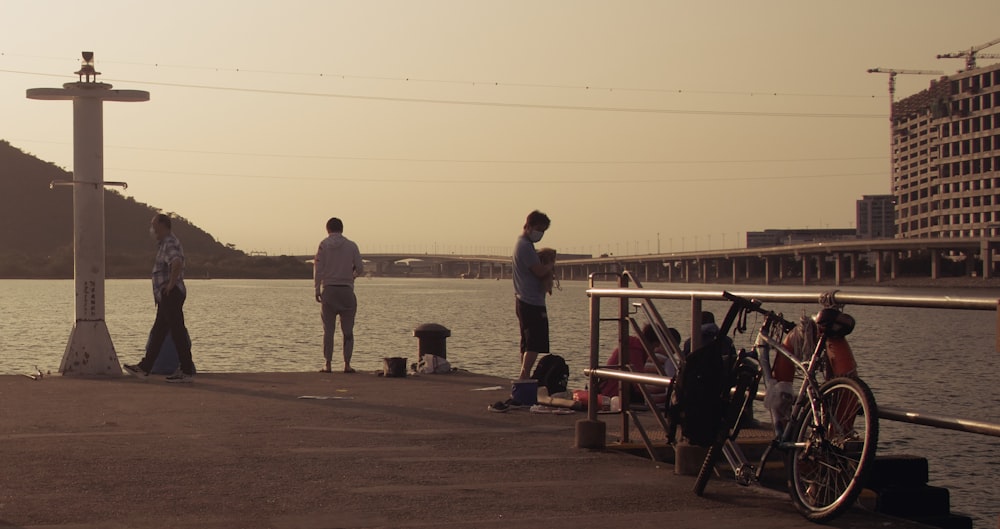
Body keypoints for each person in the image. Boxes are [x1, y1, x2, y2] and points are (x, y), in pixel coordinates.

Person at [123, 214, 196, 383]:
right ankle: (145, 367)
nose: (152, 229)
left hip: (171, 294)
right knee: (159, 331)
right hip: (166, 296)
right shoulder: (164, 244)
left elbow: (176, 262)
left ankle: (186, 370)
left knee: (177, 331)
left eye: (153, 225)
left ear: (162, 225)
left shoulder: (169, 243)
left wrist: (170, 284)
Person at [313, 217, 364, 374]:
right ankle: (347, 364)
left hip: (329, 290)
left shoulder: (323, 245)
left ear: (327, 229)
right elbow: (360, 268)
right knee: (348, 331)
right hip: (347, 290)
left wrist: (317, 290)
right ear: (342, 229)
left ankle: (327, 364)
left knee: (328, 331)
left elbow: (318, 269)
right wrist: (352, 276)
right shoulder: (351, 245)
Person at [512, 210, 553, 383]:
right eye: (538, 229)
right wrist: (551, 264)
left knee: (527, 341)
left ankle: (525, 377)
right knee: (535, 341)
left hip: (523, 300)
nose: (540, 234)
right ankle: (524, 375)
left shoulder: (523, 245)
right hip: (532, 302)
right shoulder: (525, 246)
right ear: (527, 226)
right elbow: (539, 271)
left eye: (543, 231)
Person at [599, 324, 657, 400]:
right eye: (656, 346)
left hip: (614, 391)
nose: (655, 350)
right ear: (653, 343)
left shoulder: (634, 347)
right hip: (615, 395)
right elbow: (639, 382)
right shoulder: (634, 350)